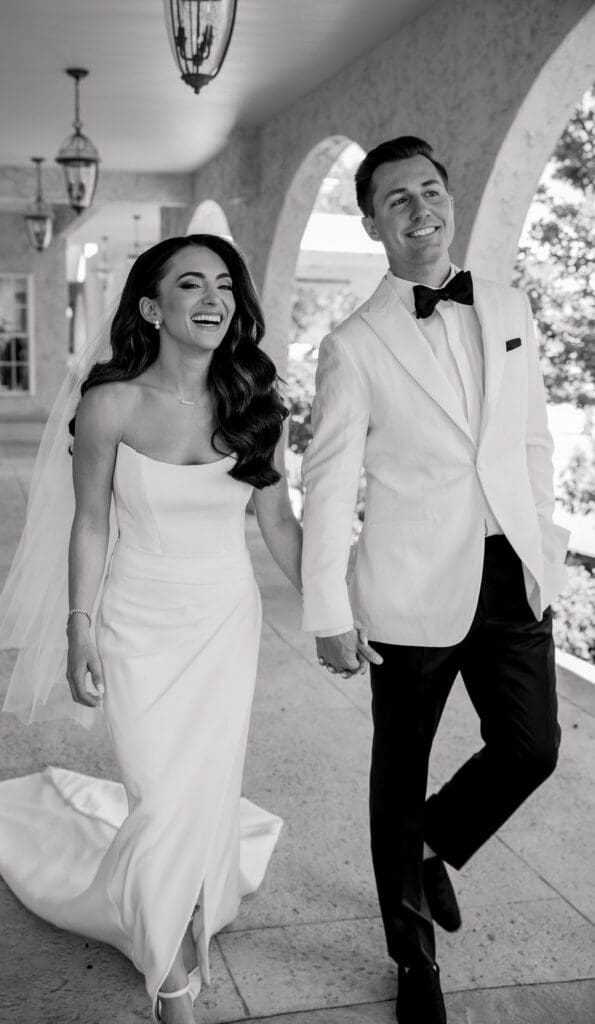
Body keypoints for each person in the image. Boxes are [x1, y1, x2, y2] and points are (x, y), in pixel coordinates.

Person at [0, 234, 302, 1024]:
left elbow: (279, 524)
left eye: (223, 284)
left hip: (223, 623)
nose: (212, 298)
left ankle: (173, 952)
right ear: (152, 306)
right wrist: (79, 628)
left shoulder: (256, 403)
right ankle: (171, 981)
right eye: (190, 284)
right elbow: (88, 526)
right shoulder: (110, 403)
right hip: (138, 624)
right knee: (156, 790)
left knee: (200, 787)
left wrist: (334, 608)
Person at [300, 137, 569, 1024]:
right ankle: (412, 959)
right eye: (397, 200)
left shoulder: (507, 303)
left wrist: (547, 554)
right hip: (409, 588)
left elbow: (530, 441)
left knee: (531, 747)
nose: (421, 211)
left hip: (509, 573)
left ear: (449, 200)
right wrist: (327, 608)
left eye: (431, 191)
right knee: (398, 777)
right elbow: (330, 484)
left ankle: (434, 852)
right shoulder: (353, 344)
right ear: (372, 222)